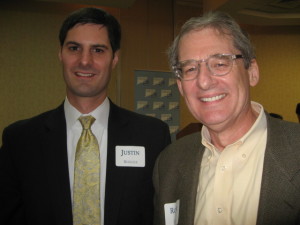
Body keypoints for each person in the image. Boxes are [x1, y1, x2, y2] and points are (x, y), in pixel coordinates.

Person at [0, 7, 171, 225]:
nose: (84, 61)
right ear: (60, 54)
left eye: (98, 50)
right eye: (74, 48)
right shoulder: (20, 141)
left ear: (115, 58)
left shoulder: (152, 136)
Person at [153, 11, 300, 225]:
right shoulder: (169, 163)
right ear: (180, 87)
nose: (203, 81)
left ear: (252, 72)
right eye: (191, 68)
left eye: (220, 64)